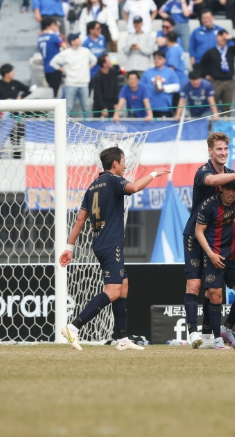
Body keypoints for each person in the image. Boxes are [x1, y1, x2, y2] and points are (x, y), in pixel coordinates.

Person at [59, 147, 171, 352]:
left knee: (123, 286)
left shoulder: (92, 186)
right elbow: (135, 187)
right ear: (115, 164)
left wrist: (69, 247)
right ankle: (73, 327)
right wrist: (154, 173)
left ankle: (122, 338)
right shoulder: (114, 180)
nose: (126, 165)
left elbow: (80, 220)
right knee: (112, 291)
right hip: (111, 245)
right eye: (124, 161)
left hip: (100, 244)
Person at [182, 132, 235, 349]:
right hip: (196, 234)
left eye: (225, 149)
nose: (223, 153)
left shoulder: (231, 175)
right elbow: (212, 181)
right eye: (218, 149)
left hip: (218, 241)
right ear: (210, 151)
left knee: (215, 292)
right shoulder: (204, 172)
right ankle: (193, 334)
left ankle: (211, 335)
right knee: (194, 285)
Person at [194, 178, 235, 350]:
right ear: (220, 188)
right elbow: (199, 231)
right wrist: (211, 254)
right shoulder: (209, 205)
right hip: (214, 256)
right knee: (215, 296)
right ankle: (216, 340)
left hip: (233, 257)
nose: (231, 194)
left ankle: (226, 329)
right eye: (228, 189)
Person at [50, 33, 97, 115]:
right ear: (72, 41)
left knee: (86, 107)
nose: (80, 40)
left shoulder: (85, 51)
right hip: (70, 84)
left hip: (84, 83)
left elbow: (94, 60)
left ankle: (88, 126)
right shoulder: (66, 53)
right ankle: (66, 127)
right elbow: (53, 63)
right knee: (69, 107)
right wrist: (63, 70)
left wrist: (87, 68)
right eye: (77, 39)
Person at [199, 30, 235, 109]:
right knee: (214, 103)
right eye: (220, 36)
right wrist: (206, 75)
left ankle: (226, 120)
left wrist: (231, 37)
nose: (223, 38)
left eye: (224, 36)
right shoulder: (211, 52)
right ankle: (214, 119)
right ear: (216, 38)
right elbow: (202, 65)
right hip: (216, 81)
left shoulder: (230, 50)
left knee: (227, 104)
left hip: (229, 81)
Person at [139, 51, 180, 117]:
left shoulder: (170, 72)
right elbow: (141, 87)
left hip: (165, 107)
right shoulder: (147, 72)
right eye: (155, 58)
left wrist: (163, 88)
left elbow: (177, 86)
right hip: (149, 107)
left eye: (159, 58)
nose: (157, 60)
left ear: (164, 60)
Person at [38, 17, 64, 97]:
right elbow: (65, 46)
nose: (55, 27)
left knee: (52, 90)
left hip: (46, 68)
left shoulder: (40, 38)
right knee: (56, 92)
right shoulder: (54, 37)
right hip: (55, 68)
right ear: (48, 26)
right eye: (53, 25)